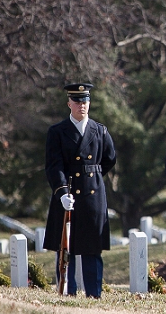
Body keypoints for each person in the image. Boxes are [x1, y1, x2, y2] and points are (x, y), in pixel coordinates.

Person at [43, 83, 117, 298]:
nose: (81, 105)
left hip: (92, 193)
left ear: (89, 103)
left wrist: (91, 177)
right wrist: (62, 191)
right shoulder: (57, 131)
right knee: (66, 247)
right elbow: (53, 165)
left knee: (92, 247)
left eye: (85, 101)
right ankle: (68, 291)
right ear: (69, 104)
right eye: (77, 101)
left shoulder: (100, 130)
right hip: (66, 192)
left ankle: (94, 293)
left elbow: (110, 159)